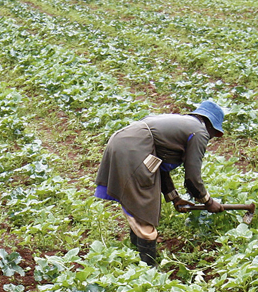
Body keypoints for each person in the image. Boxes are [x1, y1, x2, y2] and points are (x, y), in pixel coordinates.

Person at [95, 99, 224, 266]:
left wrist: (175, 198)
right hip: (134, 149)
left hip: (126, 142)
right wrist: (208, 201)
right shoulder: (200, 132)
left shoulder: (182, 124)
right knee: (144, 201)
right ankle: (148, 268)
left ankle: (136, 252)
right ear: (212, 126)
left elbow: (158, 165)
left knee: (141, 200)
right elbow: (193, 177)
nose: (212, 137)